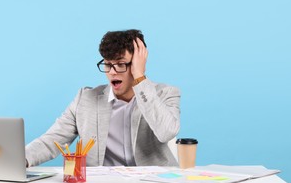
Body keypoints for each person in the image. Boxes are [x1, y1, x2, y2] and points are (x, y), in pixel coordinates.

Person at [25, 29, 180, 167]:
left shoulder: (164, 93)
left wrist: (140, 77)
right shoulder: (85, 99)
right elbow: (51, 140)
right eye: (107, 64)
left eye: (120, 64)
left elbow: (166, 132)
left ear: (137, 64)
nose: (112, 72)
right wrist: (19, 159)